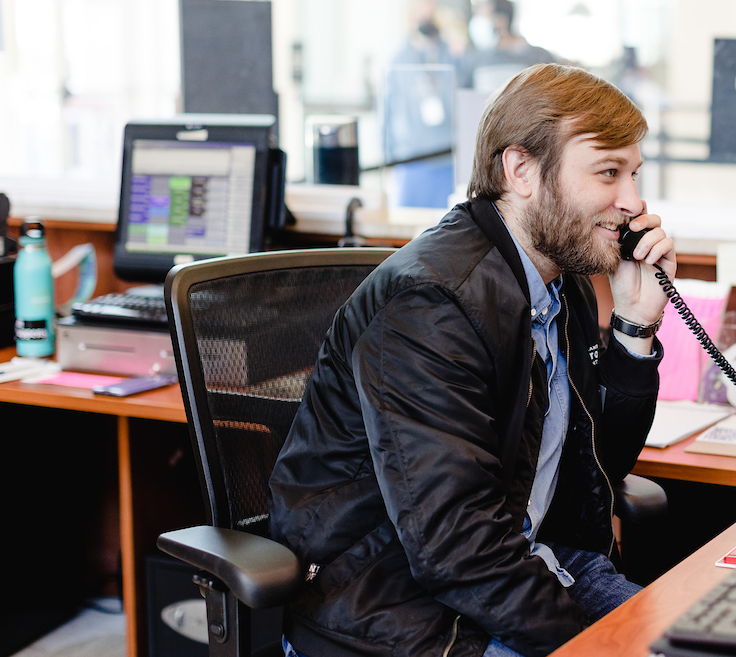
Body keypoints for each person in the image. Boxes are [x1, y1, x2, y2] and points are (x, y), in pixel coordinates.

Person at [269, 63, 676, 657]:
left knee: (702, 640)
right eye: (608, 172)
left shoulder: (564, 284)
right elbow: (454, 548)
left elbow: (597, 471)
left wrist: (635, 330)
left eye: (635, 174)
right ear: (522, 171)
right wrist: (590, 646)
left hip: (527, 565)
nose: (632, 203)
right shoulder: (434, 304)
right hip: (401, 609)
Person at [461, 0, 556, 92]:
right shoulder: (477, 59)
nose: (479, 23)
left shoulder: (540, 58)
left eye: (485, 16)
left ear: (502, 21)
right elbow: (464, 94)